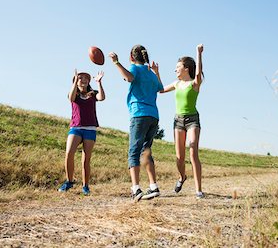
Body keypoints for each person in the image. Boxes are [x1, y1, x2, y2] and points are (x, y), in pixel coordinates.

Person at [108, 45, 164, 202]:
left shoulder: (135, 68)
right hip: (154, 116)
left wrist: (116, 62)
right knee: (146, 151)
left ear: (132, 58)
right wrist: (157, 72)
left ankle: (136, 189)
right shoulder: (151, 73)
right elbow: (160, 88)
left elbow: (129, 77)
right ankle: (153, 186)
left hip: (139, 114)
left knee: (134, 151)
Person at [159, 44, 205, 199]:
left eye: (178, 67)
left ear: (186, 68)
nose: (175, 70)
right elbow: (160, 89)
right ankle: (182, 177)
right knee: (179, 157)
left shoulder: (194, 84)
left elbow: (198, 74)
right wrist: (156, 73)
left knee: (193, 151)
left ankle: (198, 190)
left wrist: (198, 54)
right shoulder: (176, 83)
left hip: (192, 119)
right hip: (178, 121)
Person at [58, 70, 105, 195]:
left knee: (86, 159)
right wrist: (74, 82)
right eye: (80, 78)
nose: (83, 80)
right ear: (75, 81)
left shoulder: (92, 94)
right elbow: (71, 98)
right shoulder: (74, 94)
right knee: (69, 153)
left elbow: (102, 97)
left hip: (90, 128)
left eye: (86, 78)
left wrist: (99, 83)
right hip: (76, 127)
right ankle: (69, 181)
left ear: (89, 81)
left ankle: (85, 186)